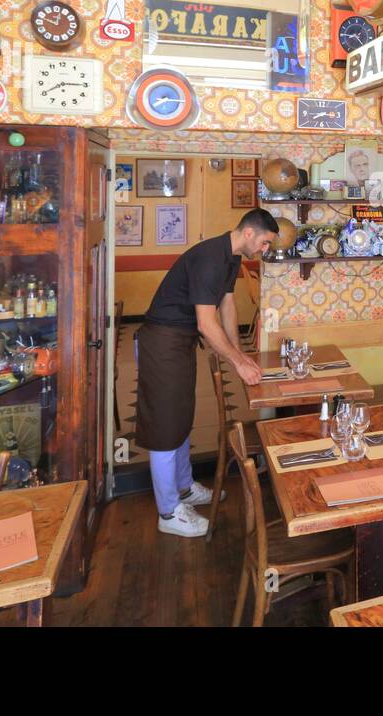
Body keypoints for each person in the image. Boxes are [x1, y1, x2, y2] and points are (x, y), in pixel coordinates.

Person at [136, 209, 278, 537]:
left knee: (181, 418)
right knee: (164, 427)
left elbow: (226, 306)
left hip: (180, 341)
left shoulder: (230, 258)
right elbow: (206, 322)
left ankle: (184, 489)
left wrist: (239, 351)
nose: (264, 250)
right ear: (248, 234)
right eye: (265, 243)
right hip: (162, 341)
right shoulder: (210, 257)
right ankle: (169, 512)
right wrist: (236, 362)